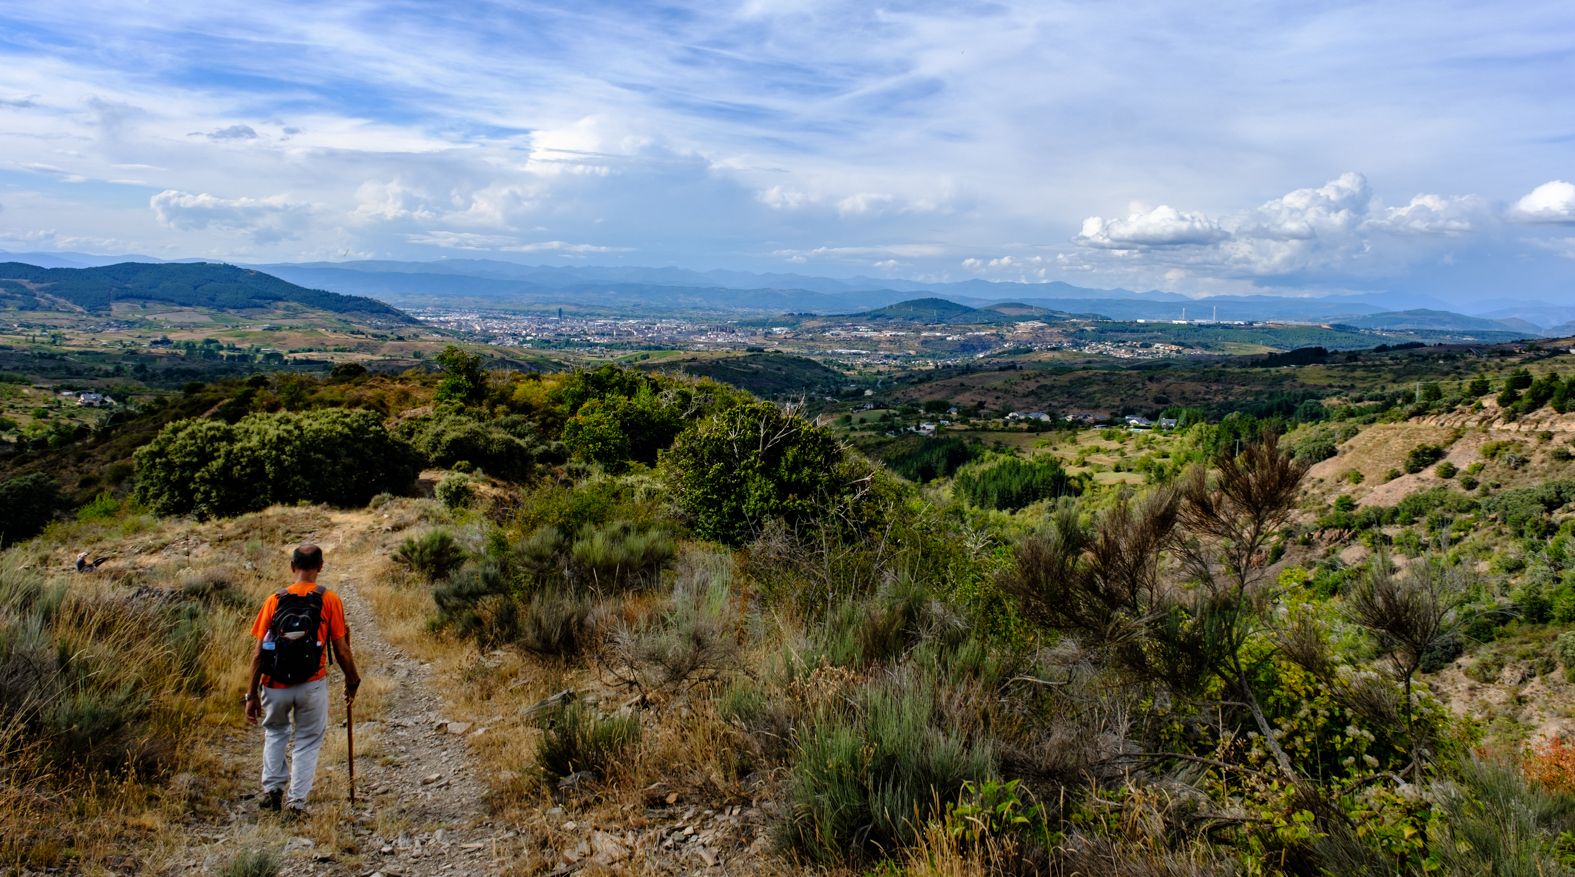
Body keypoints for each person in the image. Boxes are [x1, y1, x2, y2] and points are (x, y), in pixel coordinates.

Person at [244, 543, 361, 817]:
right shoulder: (329, 599)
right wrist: (352, 679)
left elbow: (259, 652)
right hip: (312, 683)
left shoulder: (274, 600)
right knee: (307, 740)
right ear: (320, 567)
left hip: (274, 685)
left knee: (275, 733)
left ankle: (272, 793)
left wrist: (251, 695)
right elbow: (341, 649)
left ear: (292, 567)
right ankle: (296, 804)